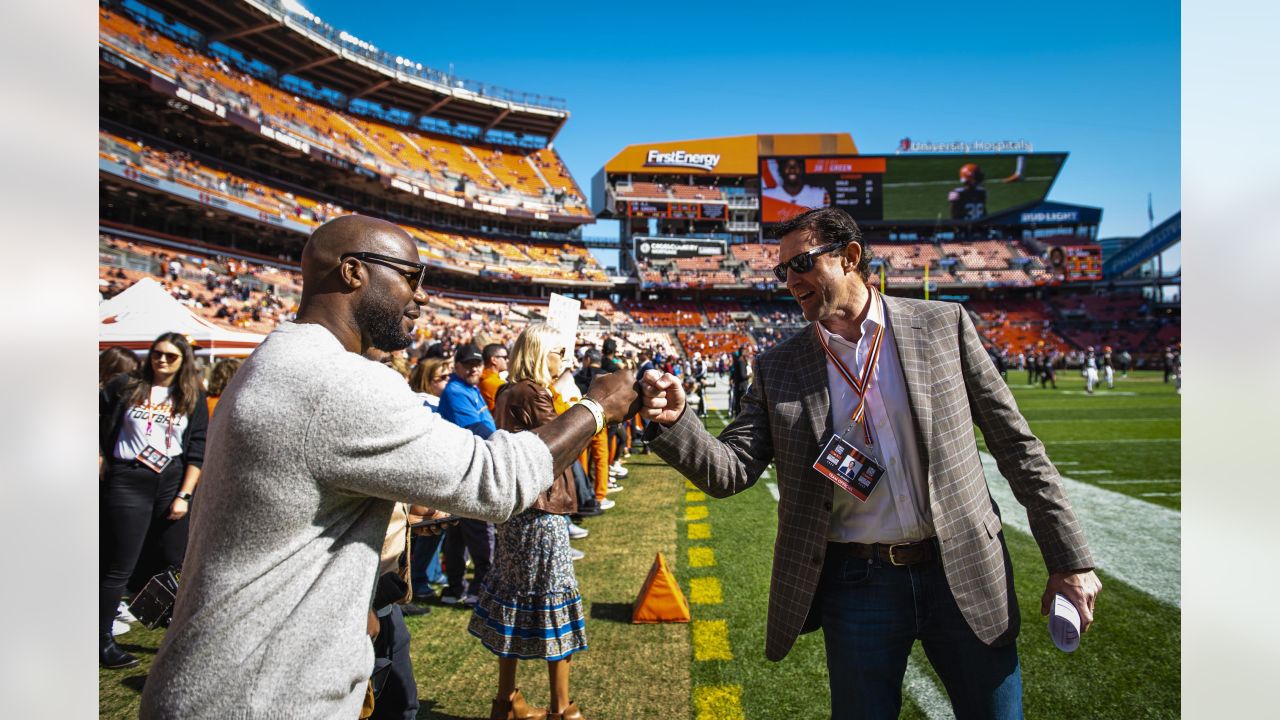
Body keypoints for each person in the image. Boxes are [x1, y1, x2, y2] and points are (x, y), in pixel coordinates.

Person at [139, 215, 637, 719]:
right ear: (353, 272)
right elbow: (497, 480)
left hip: (231, 680)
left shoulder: (278, 358)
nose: (422, 297)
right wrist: (596, 407)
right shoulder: (338, 380)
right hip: (262, 696)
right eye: (411, 276)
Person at [638, 207, 1100, 719]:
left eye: (802, 263)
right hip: (858, 583)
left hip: (961, 566)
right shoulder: (779, 366)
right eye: (782, 270)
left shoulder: (942, 325)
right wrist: (677, 422)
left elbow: (1018, 447)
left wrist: (1070, 561)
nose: (790, 280)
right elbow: (730, 469)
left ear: (850, 257)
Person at [470, 323, 589, 720]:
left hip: (519, 509)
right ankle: (561, 707)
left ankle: (506, 700)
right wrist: (578, 406)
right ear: (541, 353)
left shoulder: (508, 390)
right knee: (553, 596)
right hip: (541, 510)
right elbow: (564, 443)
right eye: (559, 352)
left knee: (515, 596)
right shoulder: (535, 392)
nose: (564, 359)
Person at [99, 332, 208, 670]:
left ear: (183, 361)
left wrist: (185, 495)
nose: (162, 360)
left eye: (171, 356)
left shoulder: (192, 395)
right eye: (157, 354)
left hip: (171, 482)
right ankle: (101, 640)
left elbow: (197, 448)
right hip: (128, 479)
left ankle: (176, 634)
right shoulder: (125, 385)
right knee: (120, 563)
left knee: (176, 562)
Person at [438, 343, 500, 606]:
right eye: (468, 364)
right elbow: (474, 428)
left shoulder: (469, 387)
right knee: (479, 531)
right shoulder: (455, 391)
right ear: (457, 365)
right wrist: (504, 443)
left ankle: (455, 588)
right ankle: (481, 589)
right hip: (467, 469)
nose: (474, 368)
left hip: (465, 467)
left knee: (459, 534)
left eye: (478, 363)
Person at [764, 157, 829, 212]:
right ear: (781, 170)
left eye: (796, 165)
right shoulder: (767, 195)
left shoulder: (819, 194)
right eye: (787, 166)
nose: (792, 169)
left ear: (802, 169)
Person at [479, 342, 509, 412]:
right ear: (494, 360)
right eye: (505, 357)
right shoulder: (495, 384)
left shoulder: (480, 377)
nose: (507, 360)